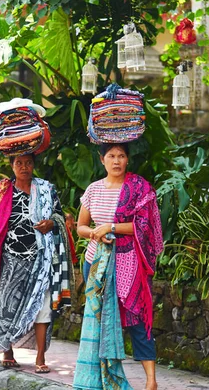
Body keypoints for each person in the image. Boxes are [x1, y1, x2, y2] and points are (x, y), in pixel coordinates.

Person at [73, 143, 163, 390]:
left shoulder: (138, 188)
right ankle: (102, 380)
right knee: (100, 323)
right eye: (111, 156)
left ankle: (151, 381)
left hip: (129, 265)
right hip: (96, 264)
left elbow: (144, 227)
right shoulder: (93, 190)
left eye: (121, 156)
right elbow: (80, 226)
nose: (116, 161)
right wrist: (94, 233)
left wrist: (111, 227)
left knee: (136, 318)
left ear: (127, 160)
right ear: (102, 160)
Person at [0, 153, 74, 374]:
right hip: (12, 259)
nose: (24, 167)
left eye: (28, 163)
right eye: (19, 163)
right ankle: (7, 351)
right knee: (8, 306)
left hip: (43, 258)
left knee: (42, 307)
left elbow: (60, 216)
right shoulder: (4, 192)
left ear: (33, 165)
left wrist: (51, 223)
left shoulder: (46, 190)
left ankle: (40, 356)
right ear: (11, 166)